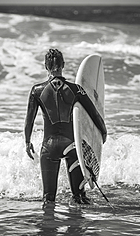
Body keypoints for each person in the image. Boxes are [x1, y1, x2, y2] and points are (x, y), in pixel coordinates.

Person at [24, 49, 107, 205]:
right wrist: (103, 132)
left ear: (45, 66)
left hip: (48, 148)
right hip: (72, 147)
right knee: (80, 198)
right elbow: (94, 114)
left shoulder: (36, 91)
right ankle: (78, 226)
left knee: (48, 199)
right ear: (63, 65)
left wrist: (27, 142)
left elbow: (29, 120)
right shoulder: (76, 89)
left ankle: (49, 226)